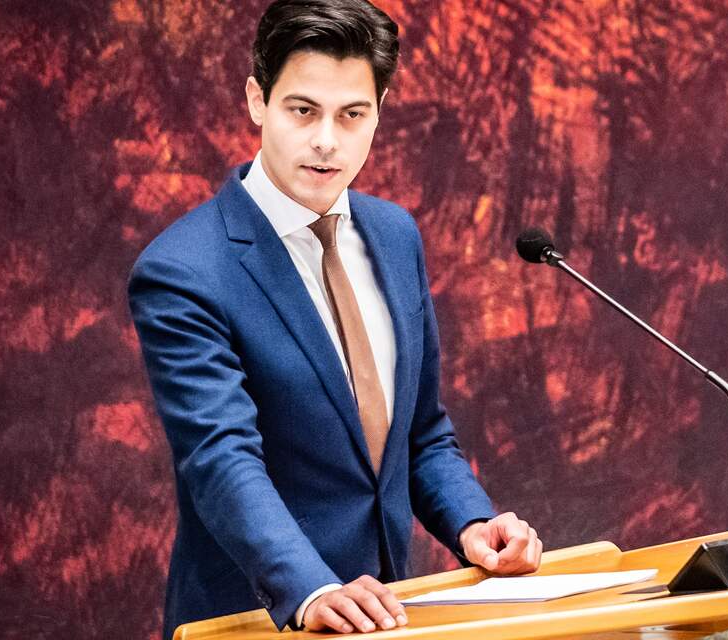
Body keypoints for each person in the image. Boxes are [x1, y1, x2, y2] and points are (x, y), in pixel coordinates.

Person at [127, 1, 542, 637]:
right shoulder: (183, 270)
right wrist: (310, 587)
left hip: (390, 618)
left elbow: (422, 434)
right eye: (303, 110)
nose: (327, 140)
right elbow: (222, 459)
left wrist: (474, 526)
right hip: (258, 619)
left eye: (353, 115)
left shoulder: (395, 235)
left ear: (380, 111)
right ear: (256, 101)